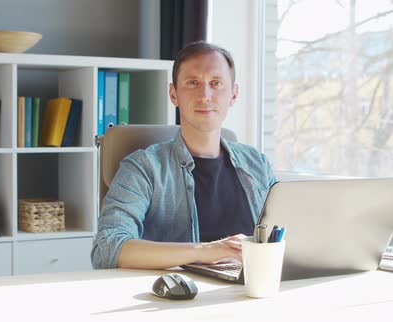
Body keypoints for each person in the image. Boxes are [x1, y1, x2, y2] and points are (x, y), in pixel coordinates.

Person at [91, 41, 276, 269]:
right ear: (173, 94)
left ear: (234, 94)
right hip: (179, 299)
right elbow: (108, 249)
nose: (204, 95)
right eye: (192, 83)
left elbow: (284, 238)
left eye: (216, 83)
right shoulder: (143, 167)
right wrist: (205, 251)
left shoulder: (258, 164)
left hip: (254, 290)